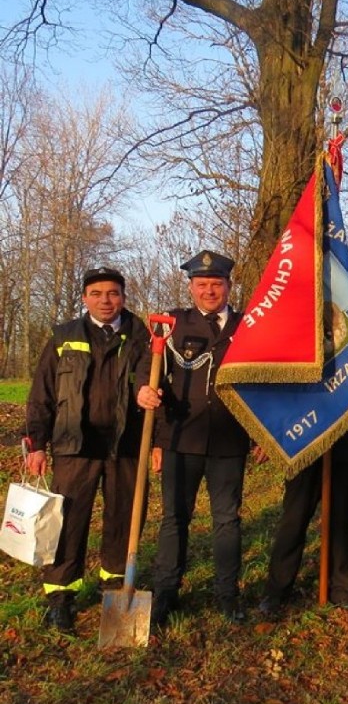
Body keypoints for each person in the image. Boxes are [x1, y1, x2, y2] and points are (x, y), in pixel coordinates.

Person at [257, 266, 348, 616]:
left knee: (345, 519)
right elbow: (281, 389)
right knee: (295, 517)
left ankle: (341, 587)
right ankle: (277, 591)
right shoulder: (298, 336)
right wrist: (272, 433)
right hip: (306, 439)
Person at [24, 267, 149, 632]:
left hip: (125, 444)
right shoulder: (64, 336)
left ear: (123, 296)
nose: (105, 301)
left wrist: (154, 442)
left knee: (124, 519)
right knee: (68, 522)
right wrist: (36, 444)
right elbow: (41, 394)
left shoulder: (141, 334)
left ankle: (115, 585)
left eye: (113, 293)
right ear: (84, 298)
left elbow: (151, 382)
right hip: (73, 445)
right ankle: (60, 595)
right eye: (96, 294)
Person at [137, 250, 258, 626]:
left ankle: (227, 594)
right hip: (180, 438)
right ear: (190, 286)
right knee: (174, 518)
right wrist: (144, 392)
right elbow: (148, 373)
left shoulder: (248, 325)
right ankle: (166, 592)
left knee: (227, 520)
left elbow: (263, 384)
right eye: (202, 284)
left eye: (216, 284)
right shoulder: (171, 325)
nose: (209, 291)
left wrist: (259, 435)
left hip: (229, 440)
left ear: (228, 286)